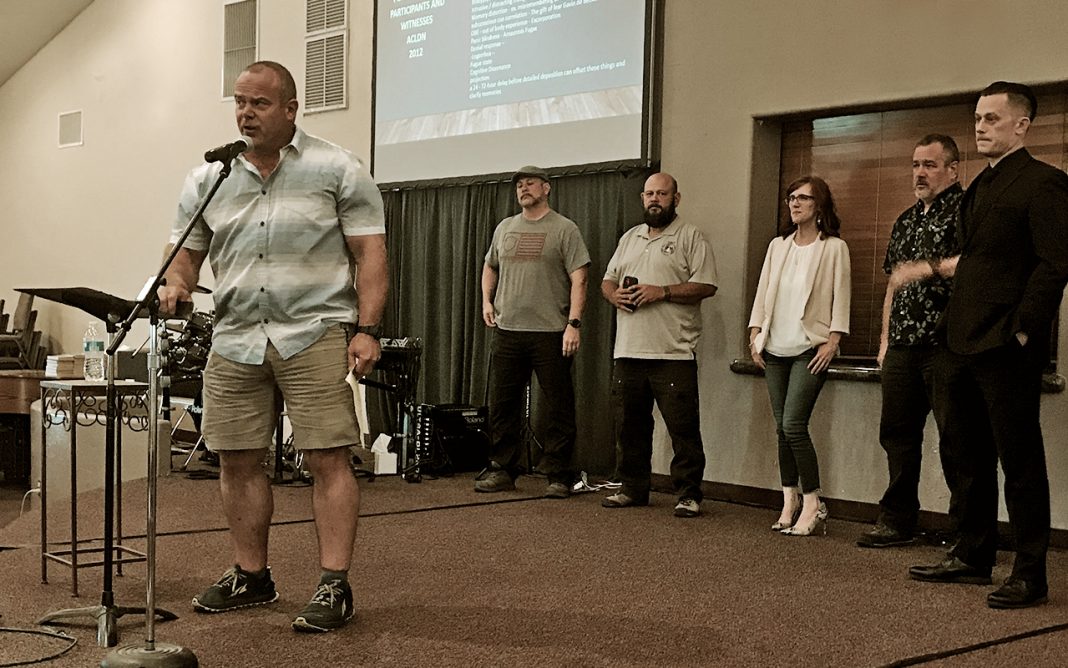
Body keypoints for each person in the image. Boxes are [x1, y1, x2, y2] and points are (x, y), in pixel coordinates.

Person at [158, 61, 387, 632]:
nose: (245, 113)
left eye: (259, 103)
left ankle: (334, 584)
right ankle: (251, 576)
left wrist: (367, 328)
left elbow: (371, 254)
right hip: (234, 337)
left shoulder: (336, 168)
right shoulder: (209, 177)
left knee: (327, 456)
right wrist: (177, 285)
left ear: (290, 109)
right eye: (239, 102)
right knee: (235, 459)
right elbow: (183, 255)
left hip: (313, 332)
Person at [908, 82, 1068, 609]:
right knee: (964, 453)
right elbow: (976, 263)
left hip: (1005, 344)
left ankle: (1029, 573)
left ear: (1022, 125)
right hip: (960, 342)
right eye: (978, 117)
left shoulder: (1044, 183)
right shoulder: (979, 185)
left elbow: (1055, 262)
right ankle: (972, 555)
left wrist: (1024, 329)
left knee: (1019, 461)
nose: (980, 126)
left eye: (992, 118)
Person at [856, 135, 963, 549]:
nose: (920, 172)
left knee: (956, 440)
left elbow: (975, 266)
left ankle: (965, 532)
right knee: (897, 436)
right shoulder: (905, 219)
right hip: (901, 346)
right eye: (916, 164)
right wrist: (884, 339)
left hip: (946, 345)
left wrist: (927, 270)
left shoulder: (966, 211)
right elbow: (893, 285)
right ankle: (897, 520)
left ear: (952, 169)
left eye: (930, 165)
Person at [600, 173, 718, 518]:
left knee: (682, 429)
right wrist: (613, 295)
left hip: (672, 352)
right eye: (650, 193)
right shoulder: (629, 238)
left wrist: (661, 291)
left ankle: (688, 494)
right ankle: (633, 489)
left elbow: (707, 285)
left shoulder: (690, 236)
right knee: (629, 427)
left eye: (662, 194)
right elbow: (608, 279)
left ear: (675, 199)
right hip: (628, 350)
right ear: (642, 198)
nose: (655, 199)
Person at [474, 165, 590, 498]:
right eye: (519, 186)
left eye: (530, 184)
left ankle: (558, 474)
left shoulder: (565, 229)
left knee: (557, 405)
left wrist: (574, 324)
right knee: (503, 404)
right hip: (508, 330)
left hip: (551, 331)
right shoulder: (505, 228)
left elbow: (580, 278)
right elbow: (490, 265)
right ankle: (504, 469)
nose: (524, 189)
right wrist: (487, 300)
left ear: (546, 188)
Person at [748, 176, 851, 537]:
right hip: (775, 349)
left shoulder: (834, 248)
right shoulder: (778, 246)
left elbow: (842, 296)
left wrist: (833, 340)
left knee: (794, 425)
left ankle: (814, 501)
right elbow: (763, 292)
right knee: (781, 428)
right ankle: (789, 499)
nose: (795, 204)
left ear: (819, 206)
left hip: (810, 349)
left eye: (803, 198)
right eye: (791, 198)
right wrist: (754, 333)